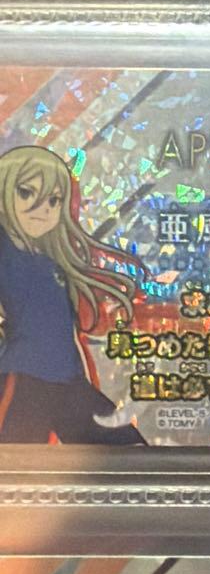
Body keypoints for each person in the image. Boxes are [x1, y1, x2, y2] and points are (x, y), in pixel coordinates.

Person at [0, 145, 146, 444]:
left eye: (53, 200)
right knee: (18, 466)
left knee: (131, 453)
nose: (43, 208)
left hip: (67, 381)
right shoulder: (6, 251)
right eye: (26, 193)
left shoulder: (50, 257)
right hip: (22, 380)